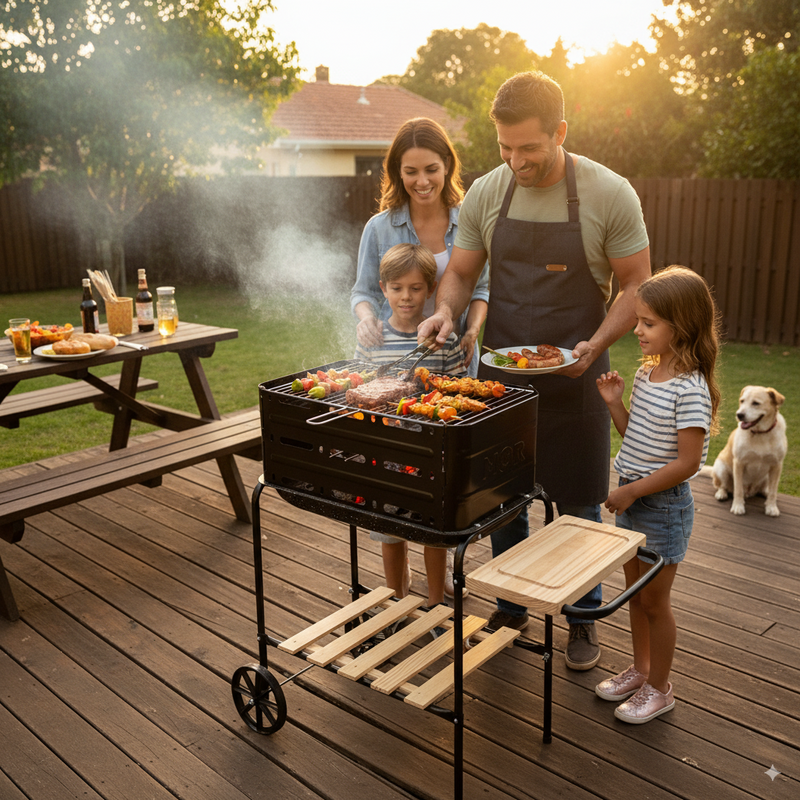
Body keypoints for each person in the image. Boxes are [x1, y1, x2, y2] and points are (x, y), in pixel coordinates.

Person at [417, 71, 651, 670]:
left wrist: (593, 346)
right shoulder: (490, 193)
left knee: (577, 503)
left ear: (560, 132)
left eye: (529, 148)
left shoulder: (608, 193)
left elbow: (636, 286)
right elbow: (463, 273)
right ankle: (515, 605)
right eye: (504, 148)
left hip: (577, 375)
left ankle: (582, 617)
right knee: (504, 497)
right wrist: (445, 309)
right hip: (501, 375)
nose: (515, 161)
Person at [351, 116, 489, 599]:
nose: (422, 181)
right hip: (392, 358)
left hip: (449, 361)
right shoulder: (380, 226)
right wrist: (367, 318)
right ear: (396, 172)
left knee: (442, 485)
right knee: (395, 487)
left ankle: (441, 583)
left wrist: (470, 329)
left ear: (447, 164)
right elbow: (363, 291)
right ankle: (400, 592)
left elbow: (480, 285)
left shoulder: (468, 218)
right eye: (410, 171)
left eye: (431, 168)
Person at [594, 265, 720, 723]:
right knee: (633, 595)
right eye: (638, 321)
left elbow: (688, 464)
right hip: (634, 501)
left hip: (662, 510)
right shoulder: (649, 375)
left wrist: (629, 492)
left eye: (648, 323)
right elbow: (638, 441)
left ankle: (660, 688)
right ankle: (642, 669)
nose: (637, 330)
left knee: (654, 601)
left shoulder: (690, 388)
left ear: (680, 326)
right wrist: (615, 406)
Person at [357, 242, 464, 616]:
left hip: (429, 453)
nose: (406, 297)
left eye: (416, 288)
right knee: (390, 529)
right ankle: (396, 603)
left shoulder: (442, 340)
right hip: (385, 451)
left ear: (431, 290)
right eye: (397, 288)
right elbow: (360, 390)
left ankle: (436, 605)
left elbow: (456, 390)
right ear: (383, 288)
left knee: (433, 531)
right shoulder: (373, 340)